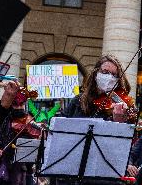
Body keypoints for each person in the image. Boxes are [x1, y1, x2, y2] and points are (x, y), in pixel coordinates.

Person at [56, 54, 137, 185]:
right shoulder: (78, 101)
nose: (109, 77)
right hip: (74, 171)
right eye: (105, 72)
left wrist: (118, 123)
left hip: (103, 176)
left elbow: (124, 147)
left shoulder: (120, 106)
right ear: (95, 73)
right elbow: (60, 126)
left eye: (114, 75)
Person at [0, 85, 39, 185]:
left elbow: (31, 158)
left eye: (22, 104)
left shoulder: (30, 122)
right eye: (15, 104)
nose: (19, 107)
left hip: (16, 176)